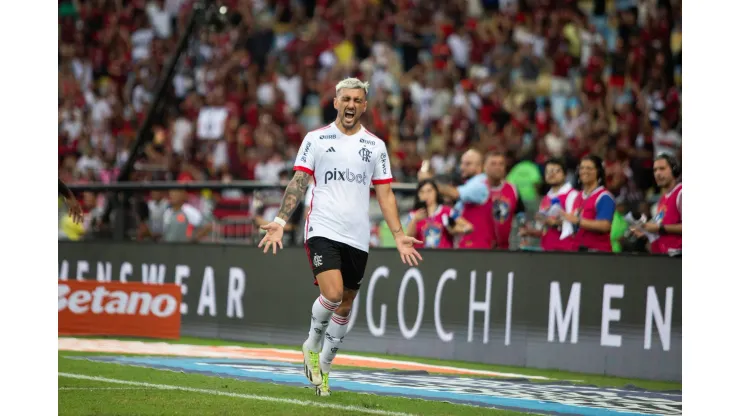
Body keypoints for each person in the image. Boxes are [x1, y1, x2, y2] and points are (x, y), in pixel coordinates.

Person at [258, 78, 423, 397]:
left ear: (364, 105)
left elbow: (386, 195)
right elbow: (299, 181)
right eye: (345, 98)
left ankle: (326, 368)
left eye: (357, 100)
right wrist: (280, 219)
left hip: (358, 234)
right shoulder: (316, 139)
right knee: (332, 294)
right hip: (323, 227)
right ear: (335, 102)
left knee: (345, 305)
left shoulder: (375, 146)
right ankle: (311, 344)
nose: (350, 105)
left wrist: (399, 234)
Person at [519, 158, 578, 251]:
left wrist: (553, 222)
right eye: (548, 171)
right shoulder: (546, 198)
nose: (551, 174)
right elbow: (544, 230)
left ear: (565, 174)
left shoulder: (572, 195)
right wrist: (530, 232)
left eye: (556, 171)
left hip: (566, 250)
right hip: (547, 250)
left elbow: (575, 224)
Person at [562, 155, 616, 252]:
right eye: (582, 168)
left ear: (598, 171)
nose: (584, 171)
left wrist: (578, 221)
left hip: (597, 254)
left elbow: (605, 225)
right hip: (578, 252)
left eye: (589, 168)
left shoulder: (604, 197)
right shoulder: (578, 196)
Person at [632, 154, 682, 254]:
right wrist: (645, 231)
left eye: (662, 169)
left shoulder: (681, 193)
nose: (658, 173)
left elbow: (660, 227)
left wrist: (659, 228)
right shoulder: (663, 199)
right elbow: (658, 227)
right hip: (664, 258)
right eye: (655, 170)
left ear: (674, 170)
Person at [406, 179, 473, 248]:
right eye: (422, 192)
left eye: (429, 191)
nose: (426, 195)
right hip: (422, 255)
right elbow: (409, 238)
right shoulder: (413, 215)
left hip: (444, 255)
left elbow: (469, 227)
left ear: (436, 192)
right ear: (418, 195)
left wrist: (455, 230)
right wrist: (414, 220)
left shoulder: (447, 211)